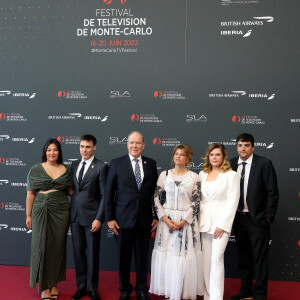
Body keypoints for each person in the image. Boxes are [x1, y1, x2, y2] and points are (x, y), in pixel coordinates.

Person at [105, 131, 158, 300]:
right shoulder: (116, 163)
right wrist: (110, 218)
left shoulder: (151, 164)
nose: (134, 146)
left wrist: (156, 216)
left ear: (143, 145)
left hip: (144, 220)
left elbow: (155, 194)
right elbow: (108, 193)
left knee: (142, 259)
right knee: (123, 259)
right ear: (127, 144)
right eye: (131, 142)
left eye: (138, 143)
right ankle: (125, 290)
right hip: (121, 221)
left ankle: (142, 289)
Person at [149, 144, 204, 300]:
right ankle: (169, 290)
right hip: (166, 221)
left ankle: (185, 292)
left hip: (187, 223)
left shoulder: (195, 177)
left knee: (185, 257)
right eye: (176, 154)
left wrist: (183, 221)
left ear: (188, 158)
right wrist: (165, 219)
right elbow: (155, 198)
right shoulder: (164, 175)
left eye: (182, 154)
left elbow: (196, 201)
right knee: (168, 256)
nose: (178, 157)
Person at [229, 133, 279, 300]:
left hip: (258, 219)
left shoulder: (264, 164)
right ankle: (245, 290)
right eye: (240, 145)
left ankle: (259, 294)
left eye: (246, 145)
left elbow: (272, 192)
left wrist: (268, 217)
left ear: (253, 147)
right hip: (238, 219)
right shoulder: (230, 164)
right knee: (244, 258)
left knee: (259, 258)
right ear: (236, 147)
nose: (243, 148)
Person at [26, 138, 73, 300]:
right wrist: (28, 215)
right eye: (49, 150)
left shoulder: (66, 170)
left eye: (55, 150)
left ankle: (54, 284)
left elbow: (72, 191)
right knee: (41, 246)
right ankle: (44, 286)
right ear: (44, 152)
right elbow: (31, 193)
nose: (52, 153)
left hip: (61, 211)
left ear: (59, 152)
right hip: (40, 210)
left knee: (57, 248)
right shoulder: (36, 169)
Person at [198, 143, 240, 300]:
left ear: (224, 157)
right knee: (206, 261)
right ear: (208, 156)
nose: (214, 157)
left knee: (216, 259)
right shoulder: (202, 174)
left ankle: (216, 297)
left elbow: (233, 202)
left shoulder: (231, 175)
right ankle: (207, 295)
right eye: (211, 154)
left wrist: (223, 225)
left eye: (217, 155)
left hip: (221, 224)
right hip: (204, 223)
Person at [70, 134, 108, 300]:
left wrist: (99, 218)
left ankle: (92, 289)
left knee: (92, 254)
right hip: (75, 217)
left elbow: (104, 195)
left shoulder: (101, 167)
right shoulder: (74, 165)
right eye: (82, 146)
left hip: (92, 218)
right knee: (78, 253)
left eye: (87, 147)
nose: (84, 150)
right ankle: (81, 288)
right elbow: (73, 190)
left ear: (94, 148)